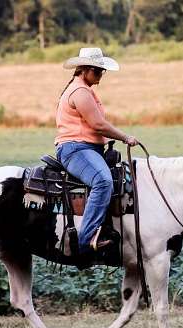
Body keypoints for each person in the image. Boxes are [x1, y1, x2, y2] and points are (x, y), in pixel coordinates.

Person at [55, 47, 139, 255]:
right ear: (84, 69)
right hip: (76, 149)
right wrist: (125, 137)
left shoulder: (86, 90)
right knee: (103, 181)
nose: (101, 75)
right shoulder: (80, 92)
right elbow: (98, 125)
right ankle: (85, 241)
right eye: (97, 71)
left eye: (102, 71)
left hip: (87, 148)